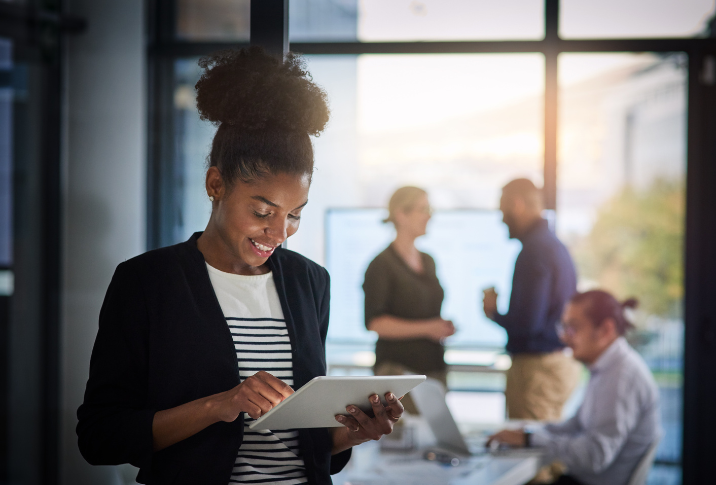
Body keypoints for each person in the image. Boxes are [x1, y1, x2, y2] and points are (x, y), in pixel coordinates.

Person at [76, 47, 402, 485]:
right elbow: (101, 437)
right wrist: (221, 404)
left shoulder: (309, 282)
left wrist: (356, 433)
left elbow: (309, 446)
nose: (280, 232)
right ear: (216, 184)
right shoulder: (147, 282)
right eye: (263, 212)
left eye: (295, 214)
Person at [487, 290, 662, 485]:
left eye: (573, 328)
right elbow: (576, 426)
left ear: (605, 330)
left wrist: (531, 439)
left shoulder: (621, 377)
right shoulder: (606, 368)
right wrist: (528, 431)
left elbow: (595, 455)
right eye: (563, 326)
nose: (563, 337)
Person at [483, 178, 579, 421]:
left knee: (528, 451)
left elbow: (528, 324)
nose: (501, 219)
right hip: (555, 365)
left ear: (517, 205)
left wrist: (493, 312)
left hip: (536, 370)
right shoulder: (555, 246)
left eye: (503, 211)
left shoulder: (533, 251)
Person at [362, 187, 455, 411]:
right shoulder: (381, 265)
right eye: (423, 209)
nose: (429, 216)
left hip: (433, 369)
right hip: (398, 372)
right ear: (401, 215)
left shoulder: (428, 260)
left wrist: (440, 327)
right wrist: (428, 328)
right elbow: (376, 323)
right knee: (405, 443)